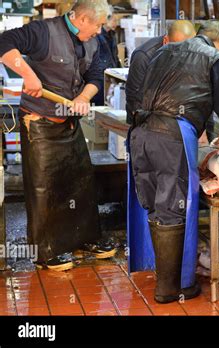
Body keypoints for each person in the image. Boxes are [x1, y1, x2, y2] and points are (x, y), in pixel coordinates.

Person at [0, 0, 116, 271]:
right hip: (40, 123)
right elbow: (3, 42)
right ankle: (46, 251)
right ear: (82, 19)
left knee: (79, 183)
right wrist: (28, 75)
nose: (100, 31)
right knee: (45, 188)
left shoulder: (93, 42)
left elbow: (96, 75)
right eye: (97, 25)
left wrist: (83, 97)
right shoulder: (43, 31)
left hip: (69, 123)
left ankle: (84, 239)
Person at [129, 20, 219, 304]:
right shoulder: (215, 58)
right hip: (171, 136)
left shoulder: (163, 52)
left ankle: (165, 279)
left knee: (157, 204)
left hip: (141, 132)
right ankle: (171, 288)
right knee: (175, 206)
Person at [125, 20, 196, 125]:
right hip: (146, 118)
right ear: (166, 40)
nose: (183, 54)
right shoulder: (144, 56)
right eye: (178, 48)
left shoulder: (194, 51)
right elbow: (135, 97)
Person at [91, 5, 121, 106]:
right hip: (100, 74)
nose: (116, 23)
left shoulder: (112, 35)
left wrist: (119, 71)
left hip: (111, 74)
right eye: (114, 20)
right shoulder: (96, 35)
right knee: (99, 101)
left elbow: (115, 55)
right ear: (106, 19)